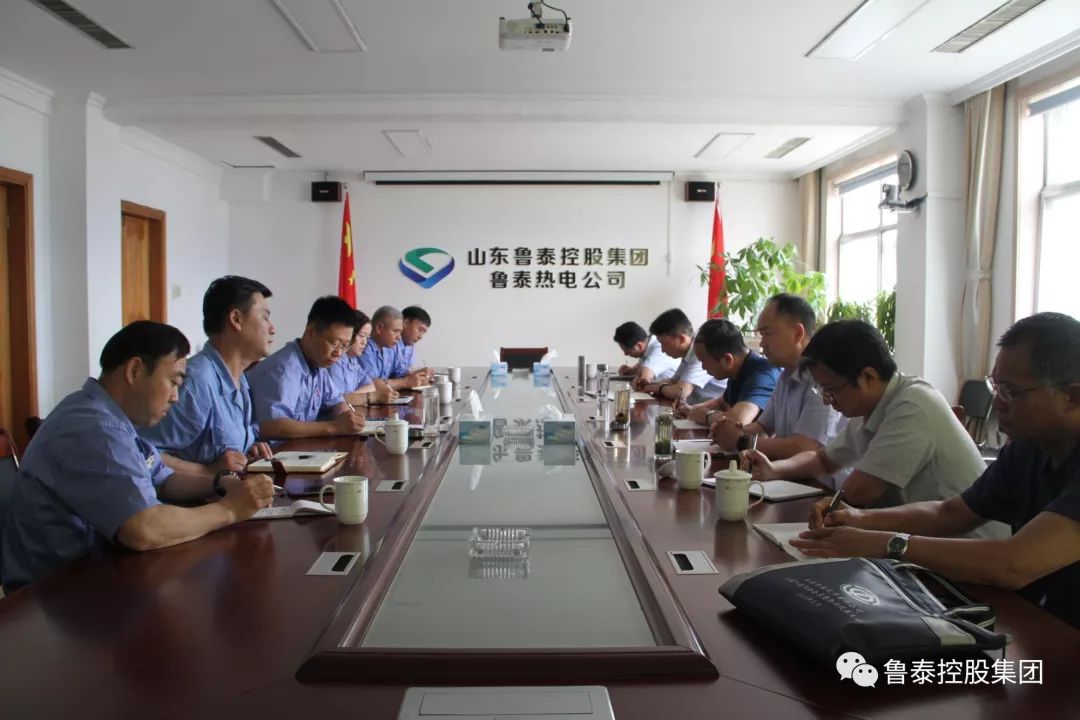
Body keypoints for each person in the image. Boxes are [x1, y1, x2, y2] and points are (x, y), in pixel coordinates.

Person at [791, 313, 1080, 629]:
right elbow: (950, 512)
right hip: (1028, 616)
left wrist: (888, 543)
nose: (997, 404)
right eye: (995, 387)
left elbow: (1014, 564)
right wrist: (860, 519)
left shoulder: (913, 403)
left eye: (1010, 391)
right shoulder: (1028, 449)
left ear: (1072, 396)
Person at [0, 321, 275, 592]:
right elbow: (144, 528)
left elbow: (163, 478)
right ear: (134, 371)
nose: (176, 397)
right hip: (52, 595)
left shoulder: (109, 416)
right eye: (173, 382)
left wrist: (221, 482)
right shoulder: (95, 428)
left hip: (93, 575)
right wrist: (230, 510)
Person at [744, 320, 1005, 538]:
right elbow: (823, 460)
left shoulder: (912, 405)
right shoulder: (869, 408)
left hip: (968, 554)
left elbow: (859, 492)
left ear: (868, 377)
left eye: (831, 390)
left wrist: (830, 507)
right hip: (922, 540)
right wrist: (773, 469)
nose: (827, 400)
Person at [140, 276, 275, 476]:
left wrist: (247, 450)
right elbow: (144, 454)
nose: (272, 328)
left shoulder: (240, 380)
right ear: (236, 319)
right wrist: (208, 471)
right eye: (265, 317)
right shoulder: (197, 382)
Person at [711, 294, 847, 488]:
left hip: (823, 489)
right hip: (789, 481)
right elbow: (764, 427)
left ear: (797, 333)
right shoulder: (786, 374)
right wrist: (729, 430)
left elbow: (805, 447)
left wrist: (740, 441)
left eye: (767, 333)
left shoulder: (824, 377)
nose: (761, 343)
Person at [246, 296, 366, 439]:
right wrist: (334, 427)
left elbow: (336, 401)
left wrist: (346, 415)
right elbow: (275, 426)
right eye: (334, 344)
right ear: (311, 332)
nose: (338, 353)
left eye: (345, 346)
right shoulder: (284, 370)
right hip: (271, 449)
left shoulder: (318, 364)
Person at [674, 318, 779, 427]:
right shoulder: (738, 368)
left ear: (727, 359)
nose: (703, 367)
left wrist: (706, 415)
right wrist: (692, 410)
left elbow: (737, 421)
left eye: (703, 361)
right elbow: (722, 402)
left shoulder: (762, 374)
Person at [634, 308, 726, 402]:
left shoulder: (700, 352)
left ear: (681, 339)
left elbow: (681, 391)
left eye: (664, 344)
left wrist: (657, 388)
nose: (662, 350)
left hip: (717, 408)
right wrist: (648, 383)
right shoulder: (688, 353)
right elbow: (673, 381)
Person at [327, 310, 397, 406]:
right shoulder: (335, 360)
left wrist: (354, 397)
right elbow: (338, 400)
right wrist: (370, 397)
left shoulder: (353, 360)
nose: (364, 342)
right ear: (350, 334)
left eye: (367, 338)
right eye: (361, 336)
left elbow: (371, 386)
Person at [360, 306, 430, 392]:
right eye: (395, 331)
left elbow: (397, 376)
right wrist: (406, 382)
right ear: (379, 328)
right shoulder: (364, 348)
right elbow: (370, 385)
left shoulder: (385, 348)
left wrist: (416, 377)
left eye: (400, 332)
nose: (399, 337)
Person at [613, 321, 679, 382]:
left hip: (672, 389)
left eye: (627, 351)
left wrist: (637, 380)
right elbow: (639, 370)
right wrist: (629, 371)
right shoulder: (647, 345)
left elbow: (643, 382)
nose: (625, 354)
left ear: (639, 346)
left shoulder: (658, 349)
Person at [395, 306, 434, 378]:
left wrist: (418, 374)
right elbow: (383, 379)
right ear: (406, 323)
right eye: (420, 330)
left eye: (423, 332)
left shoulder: (410, 347)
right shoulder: (389, 344)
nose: (421, 337)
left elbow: (401, 375)